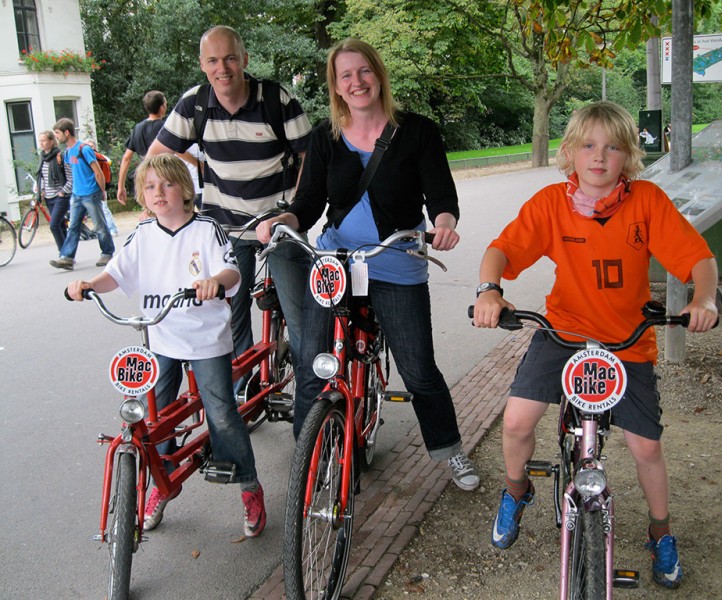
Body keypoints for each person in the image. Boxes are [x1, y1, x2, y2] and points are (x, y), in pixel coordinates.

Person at [472, 102, 719, 588]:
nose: (599, 157)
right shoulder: (550, 203)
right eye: (588, 145)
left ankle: (660, 531)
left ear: (628, 158)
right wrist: (489, 290)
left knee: (646, 445)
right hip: (563, 332)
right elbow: (500, 250)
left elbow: (698, 258)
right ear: (571, 153)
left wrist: (705, 298)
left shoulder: (646, 201)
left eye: (613, 147)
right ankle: (517, 491)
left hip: (625, 343)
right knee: (518, 419)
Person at [255, 38, 480, 491]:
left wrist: (444, 222)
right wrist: (284, 219)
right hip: (336, 259)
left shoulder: (417, 131)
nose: (356, 82)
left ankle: (449, 450)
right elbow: (310, 201)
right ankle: (310, 453)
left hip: (395, 257)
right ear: (336, 86)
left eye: (363, 72)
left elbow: (440, 195)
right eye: (345, 75)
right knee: (313, 359)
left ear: (378, 75)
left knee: (418, 368)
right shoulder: (325, 136)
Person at [66, 154, 266, 538]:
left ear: (185, 190)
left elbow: (230, 270)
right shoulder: (142, 234)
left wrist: (214, 282)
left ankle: (249, 485)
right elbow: (115, 274)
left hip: (204, 337)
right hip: (159, 335)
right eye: (150, 186)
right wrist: (90, 284)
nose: (158, 193)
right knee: (153, 417)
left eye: (167, 184)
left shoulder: (206, 229)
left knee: (221, 411)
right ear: (142, 194)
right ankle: (164, 481)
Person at [147, 25, 312, 390]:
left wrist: (294, 209)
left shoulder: (277, 100)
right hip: (225, 225)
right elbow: (156, 156)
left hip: (278, 223)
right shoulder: (194, 104)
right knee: (227, 312)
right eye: (213, 60)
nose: (223, 68)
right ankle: (243, 387)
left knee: (299, 316)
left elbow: (309, 157)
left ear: (245, 60)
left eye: (230, 58)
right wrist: (169, 200)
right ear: (203, 65)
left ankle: (312, 399)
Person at [49, 118, 115, 271]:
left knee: (100, 225)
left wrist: (102, 192)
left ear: (67, 132)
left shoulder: (83, 149)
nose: (56, 136)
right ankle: (66, 258)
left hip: (91, 193)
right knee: (73, 227)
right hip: (77, 195)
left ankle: (107, 252)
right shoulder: (67, 152)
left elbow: (98, 173)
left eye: (58, 133)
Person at [116, 90, 168, 206]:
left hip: (145, 177)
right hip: (164, 175)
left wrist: (121, 186)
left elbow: (126, 158)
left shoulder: (138, 128)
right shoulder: (165, 127)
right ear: (162, 107)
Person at [35, 130, 72, 251]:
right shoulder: (42, 158)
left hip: (60, 196)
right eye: (40, 141)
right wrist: (40, 188)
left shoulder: (60, 156)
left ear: (51, 142)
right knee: (61, 225)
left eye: (44, 140)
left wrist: (63, 192)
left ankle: (64, 254)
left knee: (54, 225)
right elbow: (42, 177)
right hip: (49, 198)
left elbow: (71, 178)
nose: (41, 143)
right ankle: (69, 252)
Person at [86, 139, 119, 237]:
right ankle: (101, 229)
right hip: (90, 188)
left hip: (101, 186)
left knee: (104, 208)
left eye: (92, 146)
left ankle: (112, 229)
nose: (90, 148)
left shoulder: (101, 158)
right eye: (88, 146)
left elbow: (107, 165)